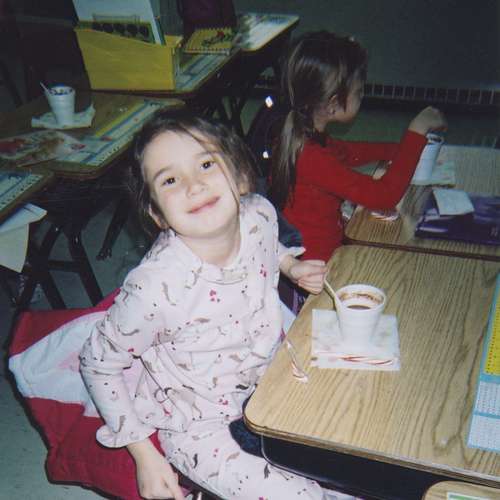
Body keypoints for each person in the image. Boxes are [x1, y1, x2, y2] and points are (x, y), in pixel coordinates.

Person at [79, 108, 349, 500]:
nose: (194, 185)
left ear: (239, 176)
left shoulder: (259, 214)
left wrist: (290, 266)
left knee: (353, 444)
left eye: (206, 164)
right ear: (157, 214)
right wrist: (142, 454)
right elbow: (97, 362)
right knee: (302, 496)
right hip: (198, 425)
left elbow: (267, 244)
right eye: (170, 180)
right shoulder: (154, 289)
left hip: (270, 379)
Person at [269, 31, 447, 263]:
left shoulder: (304, 135)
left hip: (323, 248)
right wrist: (416, 131)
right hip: (318, 264)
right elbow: (384, 196)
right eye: (358, 92)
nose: (362, 96)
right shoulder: (310, 156)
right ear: (333, 104)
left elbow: (348, 152)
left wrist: (401, 150)